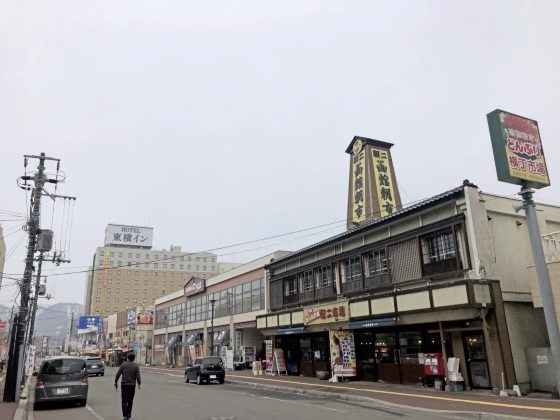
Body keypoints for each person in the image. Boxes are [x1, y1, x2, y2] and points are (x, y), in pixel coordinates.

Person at [114, 353, 142, 420]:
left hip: (124, 385)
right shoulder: (136, 366)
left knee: (124, 401)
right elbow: (138, 376)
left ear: (127, 358)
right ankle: (129, 413)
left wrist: (116, 382)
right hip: (132, 385)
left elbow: (118, 374)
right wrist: (139, 384)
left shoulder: (123, 365)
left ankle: (125, 415)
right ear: (134, 358)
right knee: (130, 400)